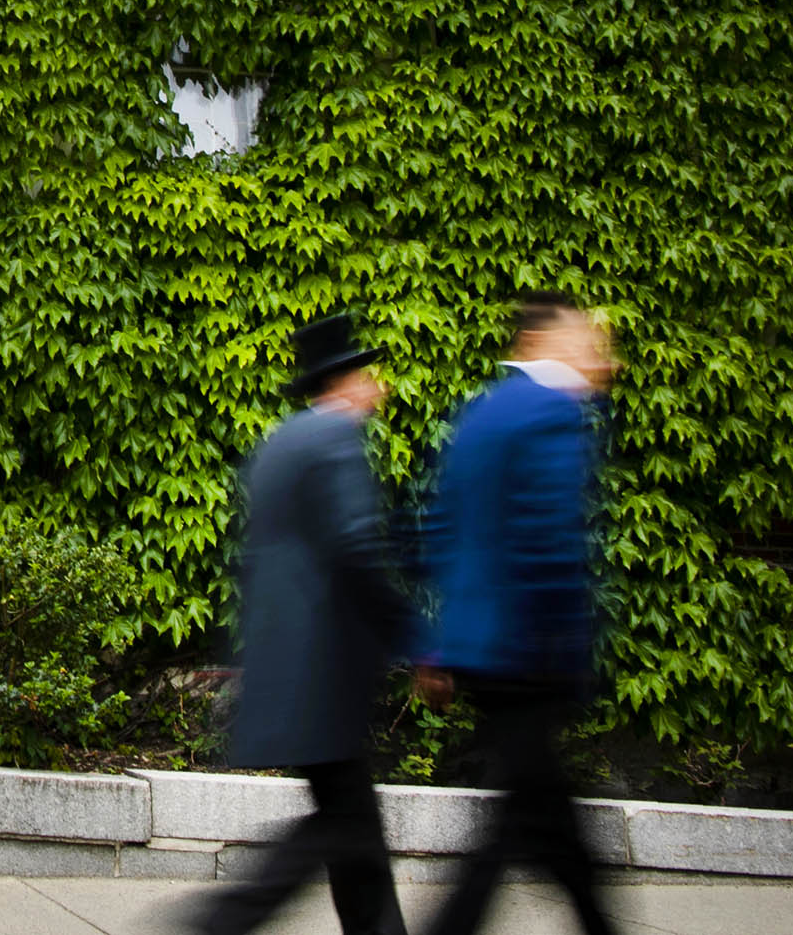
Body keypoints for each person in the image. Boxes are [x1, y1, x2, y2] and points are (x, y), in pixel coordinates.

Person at [194, 311, 414, 935]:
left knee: (350, 820)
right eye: (368, 374)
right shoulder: (336, 441)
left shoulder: (281, 442)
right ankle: (218, 923)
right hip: (326, 667)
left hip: (291, 662)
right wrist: (415, 637)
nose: (378, 388)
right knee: (340, 821)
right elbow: (356, 551)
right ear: (343, 382)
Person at [415, 292, 621, 935]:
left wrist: (438, 644)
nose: (596, 354)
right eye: (584, 340)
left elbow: (442, 531)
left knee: (532, 817)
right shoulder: (552, 413)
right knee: (530, 819)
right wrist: (570, 650)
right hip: (529, 647)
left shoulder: (478, 413)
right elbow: (549, 540)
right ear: (540, 342)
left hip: (483, 646)